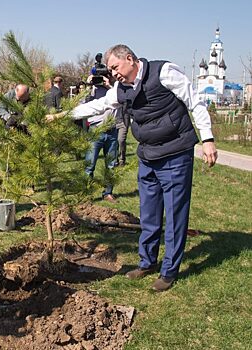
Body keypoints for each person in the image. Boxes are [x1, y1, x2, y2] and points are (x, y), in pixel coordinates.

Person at [69, 44, 218, 291]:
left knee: (174, 214)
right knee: (148, 213)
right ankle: (147, 262)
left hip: (175, 153)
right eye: (110, 69)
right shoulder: (120, 89)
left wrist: (208, 139)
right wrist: (65, 114)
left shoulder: (164, 72)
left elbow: (195, 100)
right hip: (148, 155)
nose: (113, 73)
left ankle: (169, 271)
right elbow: (99, 106)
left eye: (115, 67)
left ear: (129, 58)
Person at [77, 75, 119, 203]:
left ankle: (108, 193)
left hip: (112, 131)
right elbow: (80, 105)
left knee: (111, 166)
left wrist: (108, 85)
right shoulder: (91, 91)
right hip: (96, 131)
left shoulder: (113, 91)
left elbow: (120, 97)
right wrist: (88, 87)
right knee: (89, 165)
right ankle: (86, 193)